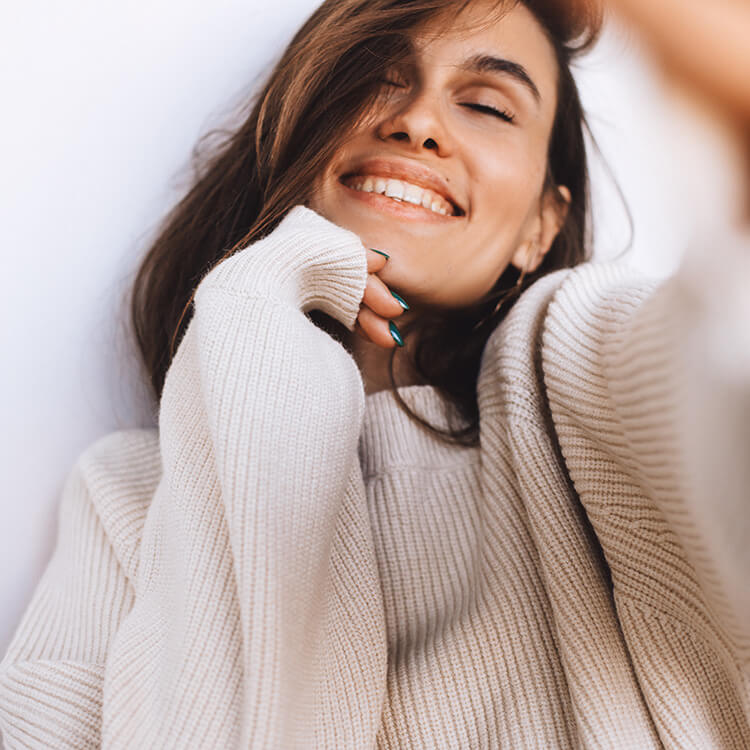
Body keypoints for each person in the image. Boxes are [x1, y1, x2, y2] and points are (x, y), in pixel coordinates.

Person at [0, 0, 748, 747]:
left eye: (488, 105)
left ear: (540, 228)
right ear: (297, 139)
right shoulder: (126, 497)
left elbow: (718, 383)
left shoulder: (576, 380)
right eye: (376, 80)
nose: (419, 122)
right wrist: (253, 323)